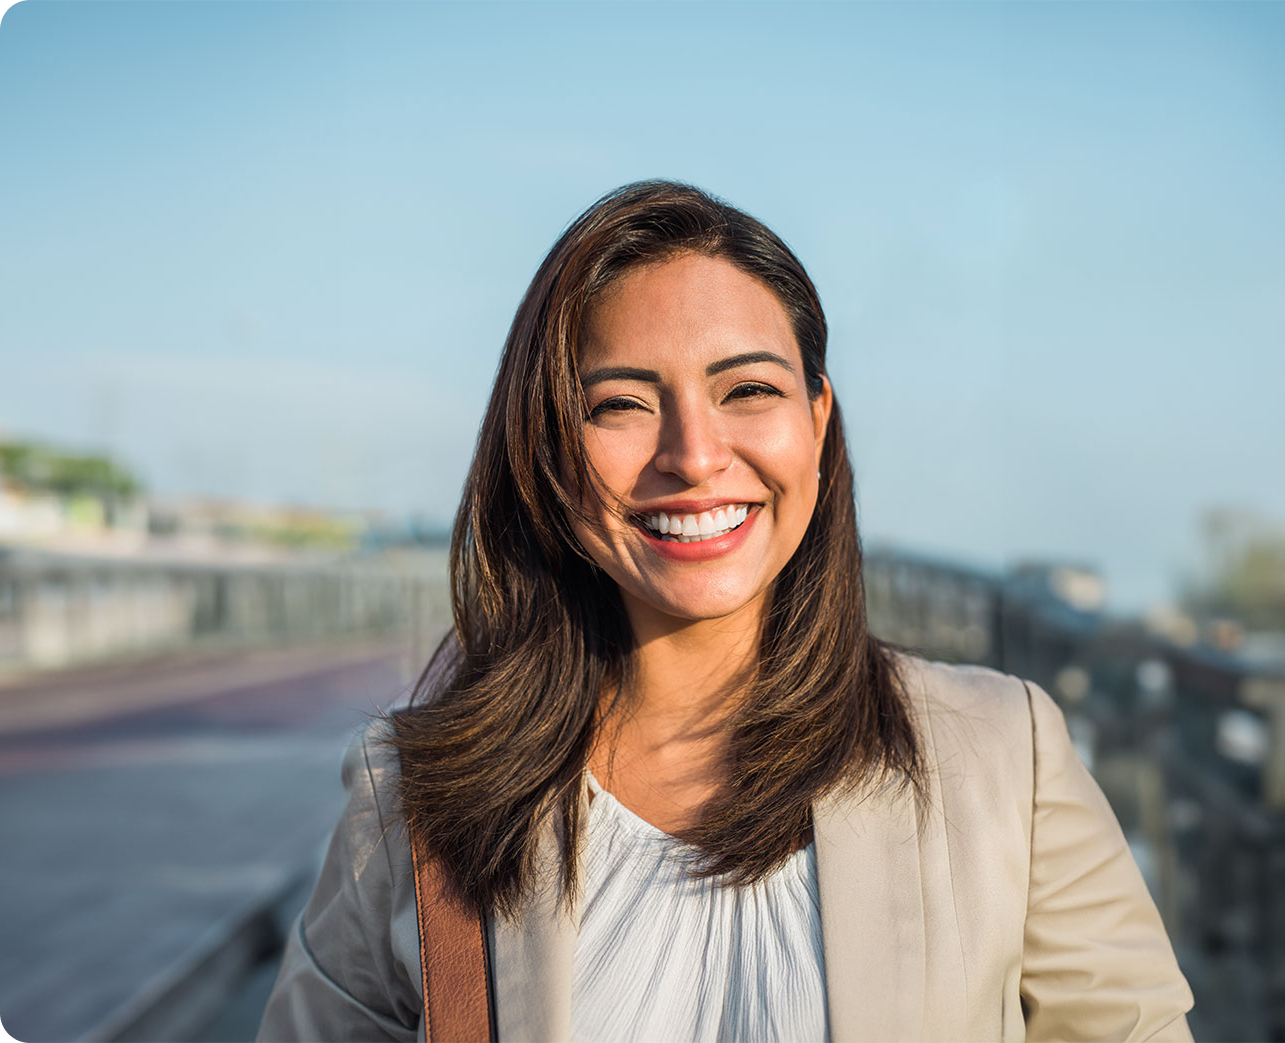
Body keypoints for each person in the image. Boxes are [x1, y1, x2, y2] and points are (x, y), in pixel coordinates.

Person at [258, 180, 1195, 1042]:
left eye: (748, 390)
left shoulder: (1003, 757)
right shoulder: (418, 794)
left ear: (818, 423)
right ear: (544, 447)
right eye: (620, 403)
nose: (695, 455)